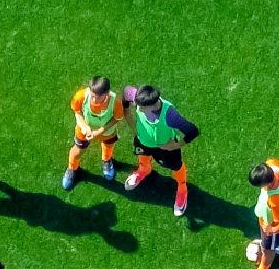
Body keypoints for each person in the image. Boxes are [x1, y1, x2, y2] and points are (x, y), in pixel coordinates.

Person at [122, 85, 199, 216]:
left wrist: (175, 146)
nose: (138, 108)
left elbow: (192, 131)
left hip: (164, 149)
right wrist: (127, 115)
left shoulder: (170, 115)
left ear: (152, 105)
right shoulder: (138, 97)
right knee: (142, 156)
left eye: (141, 107)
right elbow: (125, 92)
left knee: (176, 166)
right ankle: (144, 170)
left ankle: (182, 189)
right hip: (142, 140)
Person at [62, 76, 124, 191]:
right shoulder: (80, 96)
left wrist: (99, 131)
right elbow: (77, 112)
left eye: (99, 97)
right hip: (84, 130)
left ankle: (106, 161)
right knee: (77, 151)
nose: (94, 100)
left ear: (107, 93)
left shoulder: (116, 102)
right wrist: (85, 127)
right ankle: (72, 168)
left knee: (108, 147)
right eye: (92, 95)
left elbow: (117, 118)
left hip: (107, 132)